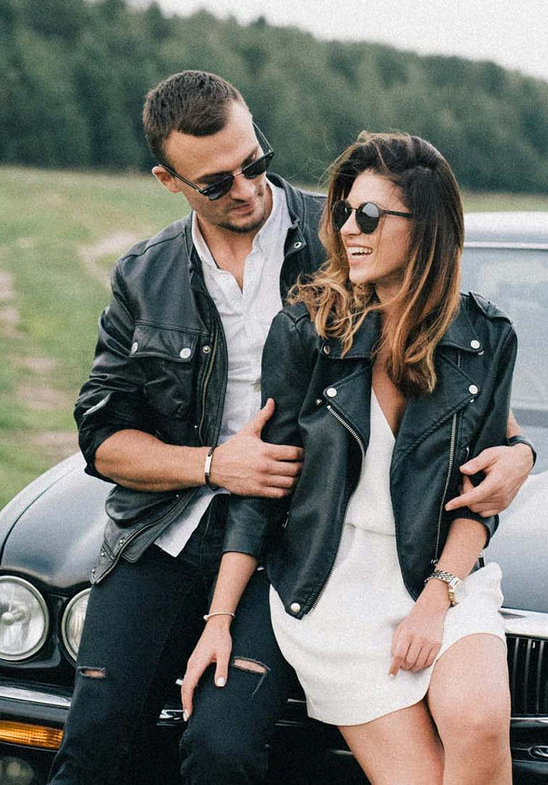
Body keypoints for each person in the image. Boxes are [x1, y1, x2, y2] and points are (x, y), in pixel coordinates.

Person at [53, 71, 535, 784]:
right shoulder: (145, 276)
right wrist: (216, 465)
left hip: (292, 540)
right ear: (169, 180)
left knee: (223, 747)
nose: (247, 189)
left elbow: (464, 407)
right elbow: (102, 439)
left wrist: (520, 455)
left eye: (256, 162)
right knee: (94, 743)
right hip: (169, 527)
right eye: (217, 183)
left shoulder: (342, 236)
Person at [183, 132, 523, 785]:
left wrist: (438, 595)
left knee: (480, 722)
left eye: (368, 215)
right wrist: (220, 619)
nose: (348, 231)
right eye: (343, 213)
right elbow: (263, 488)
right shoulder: (307, 333)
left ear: (425, 227)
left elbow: (483, 496)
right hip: (335, 590)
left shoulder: (486, 339)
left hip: (441, 574)